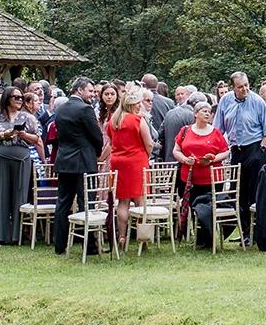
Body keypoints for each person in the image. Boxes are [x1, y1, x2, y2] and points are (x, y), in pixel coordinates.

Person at [214, 71, 266, 244]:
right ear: (233, 87)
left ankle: (257, 232)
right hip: (236, 151)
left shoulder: (257, 101)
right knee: (238, 192)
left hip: (254, 148)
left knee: (254, 193)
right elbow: (219, 129)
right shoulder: (225, 101)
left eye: (246, 85)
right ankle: (245, 231)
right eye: (240, 87)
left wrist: (261, 150)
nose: (245, 89)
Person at [51, 76, 104, 255]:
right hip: (83, 161)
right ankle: (89, 247)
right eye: (90, 91)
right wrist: (95, 152)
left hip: (65, 161)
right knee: (86, 203)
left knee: (63, 204)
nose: (93, 95)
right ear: (79, 90)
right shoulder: (85, 109)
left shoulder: (60, 108)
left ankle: (59, 245)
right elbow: (97, 136)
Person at [0, 86, 40, 245]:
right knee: (1, 195)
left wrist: (23, 134)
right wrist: (4, 134)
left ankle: (18, 235)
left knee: (20, 194)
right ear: (7, 98)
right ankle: (1, 235)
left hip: (22, 157)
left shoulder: (27, 117)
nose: (19, 100)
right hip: (0, 156)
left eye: (21, 97)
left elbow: (36, 139)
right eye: (15, 97)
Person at [174, 99, 231, 248]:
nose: (208, 114)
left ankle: (209, 238)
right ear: (195, 114)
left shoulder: (215, 132)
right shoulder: (185, 131)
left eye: (209, 111)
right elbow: (176, 150)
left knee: (208, 208)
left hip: (212, 177)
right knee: (193, 207)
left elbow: (225, 151)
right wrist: (186, 160)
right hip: (190, 177)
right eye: (204, 111)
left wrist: (212, 160)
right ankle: (198, 237)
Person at [106, 85, 154, 251]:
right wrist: (146, 154)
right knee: (140, 200)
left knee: (122, 202)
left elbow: (111, 142)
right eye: (138, 103)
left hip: (118, 163)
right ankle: (143, 238)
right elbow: (148, 143)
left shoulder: (113, 120)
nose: (140, 106)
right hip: (136, 162)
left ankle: (122, 236)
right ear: (133, 105)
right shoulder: (138, 120)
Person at [161, 86, 198, 183]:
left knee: (171, 191)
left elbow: (160, 134)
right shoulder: (191, 116)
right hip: (184, 161)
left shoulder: (169, 113)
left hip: (169, 160)